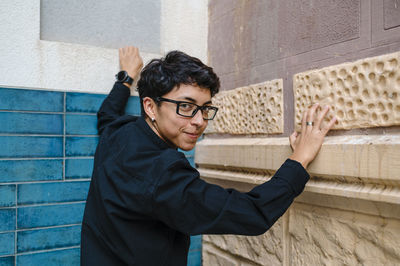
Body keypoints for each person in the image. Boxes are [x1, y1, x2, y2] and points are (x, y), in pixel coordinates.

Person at [81, 46, 336, 265]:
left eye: (205, 109)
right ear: (150, 106)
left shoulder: (118, 133)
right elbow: (253, 212)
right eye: (186, 106)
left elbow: (106, 116)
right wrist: (300, 159)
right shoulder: (164, 175)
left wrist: (126, 77)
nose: (199, 121)